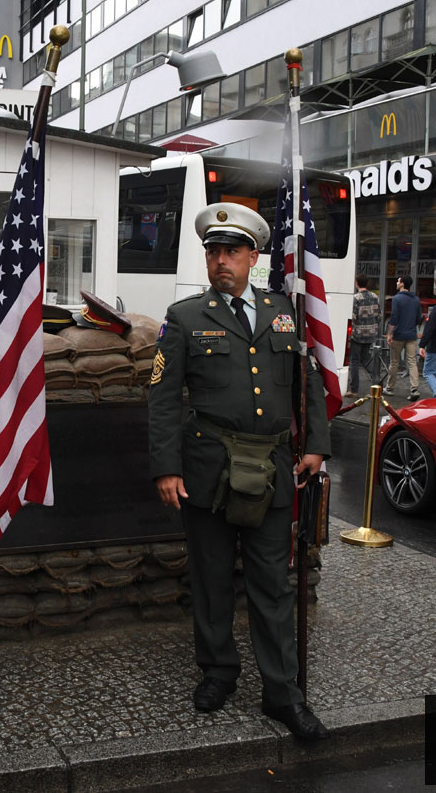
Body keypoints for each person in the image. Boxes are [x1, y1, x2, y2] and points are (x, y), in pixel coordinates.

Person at [148, 202, 331, 741]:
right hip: (205, 468)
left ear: (254, 256)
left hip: (272, 468)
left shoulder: (284, 311)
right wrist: (166, 468)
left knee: (272, 585)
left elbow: (309, 383)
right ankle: (219, 671)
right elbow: (161, 399)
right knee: (210, 579)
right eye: (213, 251)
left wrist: (316, 444)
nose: (221, 260)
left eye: (231, 251)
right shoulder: (184, 317)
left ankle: (281, 693)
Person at [386, 275, 422, 401]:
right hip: (411, 335)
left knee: (394, 362)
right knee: (412, 361)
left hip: (399, 335)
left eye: (398, 281)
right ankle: (414, 389)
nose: (397, 282)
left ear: (402, 284)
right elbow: (419, 318)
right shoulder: (416, 299)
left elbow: (394, 317)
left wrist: (390, 334)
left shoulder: (397, 299)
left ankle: (390, 387)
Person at [346, 274, 380, 397]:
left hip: (358, 334)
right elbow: (378, 315)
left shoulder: (356, 298)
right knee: (366, 358)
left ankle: (354, 389)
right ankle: (377, 382)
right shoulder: (375, 297)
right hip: (370, 333)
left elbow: (353, 316)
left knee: (354, 361)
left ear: (357, 283)